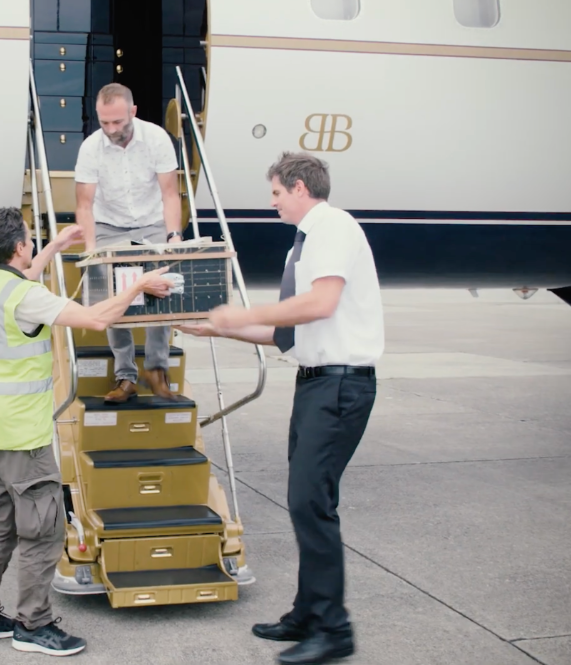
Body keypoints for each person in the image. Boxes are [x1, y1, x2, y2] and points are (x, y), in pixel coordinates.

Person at [178, 152, 383, 665]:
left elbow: (319, 304)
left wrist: (242, 312)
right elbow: (285, 333)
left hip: (340, 386)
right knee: (305, 501)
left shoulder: (332, 228)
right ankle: (308, 613)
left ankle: (333, 630)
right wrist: (218, 328)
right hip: (317, 385)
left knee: (311, 503)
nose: (272, 203)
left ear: (298, 187)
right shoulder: (307, 242)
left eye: (275, 193)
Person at [0, 207, 172, 657]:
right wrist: (136, 285)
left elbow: (24, 279)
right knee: (42, 534)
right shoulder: (25, 296)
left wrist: (57, 246)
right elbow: (96, 319)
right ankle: (33, 625)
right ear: (19, 246)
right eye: (31, 239)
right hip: (24, 437)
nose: (33, 245)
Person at [74, 82, 184, 404]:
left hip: (152, 222)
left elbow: (169, 194)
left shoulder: (157, 139)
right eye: (104, 122)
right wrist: (91, 249)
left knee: (161, 288)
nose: (111, 129)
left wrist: (173, 236)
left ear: (133, 112)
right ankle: (125, 376)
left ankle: (157, 369)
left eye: (118, 122)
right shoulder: (91, 148)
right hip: (109, 224)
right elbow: (84, 205)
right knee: (114, 295)